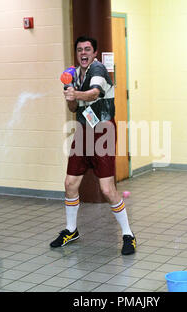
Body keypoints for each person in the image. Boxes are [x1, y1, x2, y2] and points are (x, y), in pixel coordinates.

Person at [50, 36, 136, 255]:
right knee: (70, 183)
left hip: (103, 132)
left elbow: (95, 93)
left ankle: (128, 234)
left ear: (95, 53)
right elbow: (73, 108)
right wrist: (69, 93)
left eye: (87, 49)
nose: (83, 53)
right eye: (79, 50)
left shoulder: (97, 69)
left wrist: (76, 93)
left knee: (107, 189)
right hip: (82, 131)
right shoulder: (75, 74)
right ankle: (71, 230)